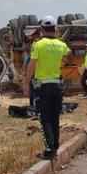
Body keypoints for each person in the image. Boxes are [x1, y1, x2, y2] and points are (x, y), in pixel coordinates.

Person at [27, 16, 69, 160]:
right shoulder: (61, 45)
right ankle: (55, 146)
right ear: (55, 29)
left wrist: (26, 83)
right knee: (55, 117)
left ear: (42, 29)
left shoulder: (38, 45)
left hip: (43, 87)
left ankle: (49, 149)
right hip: (57, 85)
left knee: (45, 118)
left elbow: (31, 65)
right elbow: (67, 58)